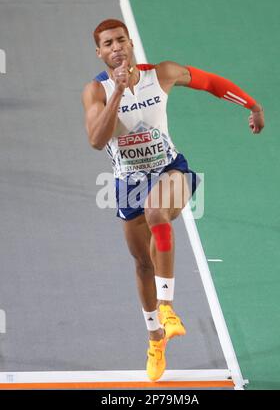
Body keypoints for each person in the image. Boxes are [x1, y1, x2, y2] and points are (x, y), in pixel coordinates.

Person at [81, 19, 264, 382]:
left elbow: (211, 82)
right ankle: (155, 339)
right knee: (141, 265)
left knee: (157, 211)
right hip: (127, 183)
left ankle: (168, 308)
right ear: (100, 52)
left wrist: (252, 105)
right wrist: (117, 93)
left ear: (131, 44)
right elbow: (96, 140)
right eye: (107, 44)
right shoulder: (96, 91)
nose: (116, 47)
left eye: (121, 40)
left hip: (169, 171)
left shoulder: (161, 74)